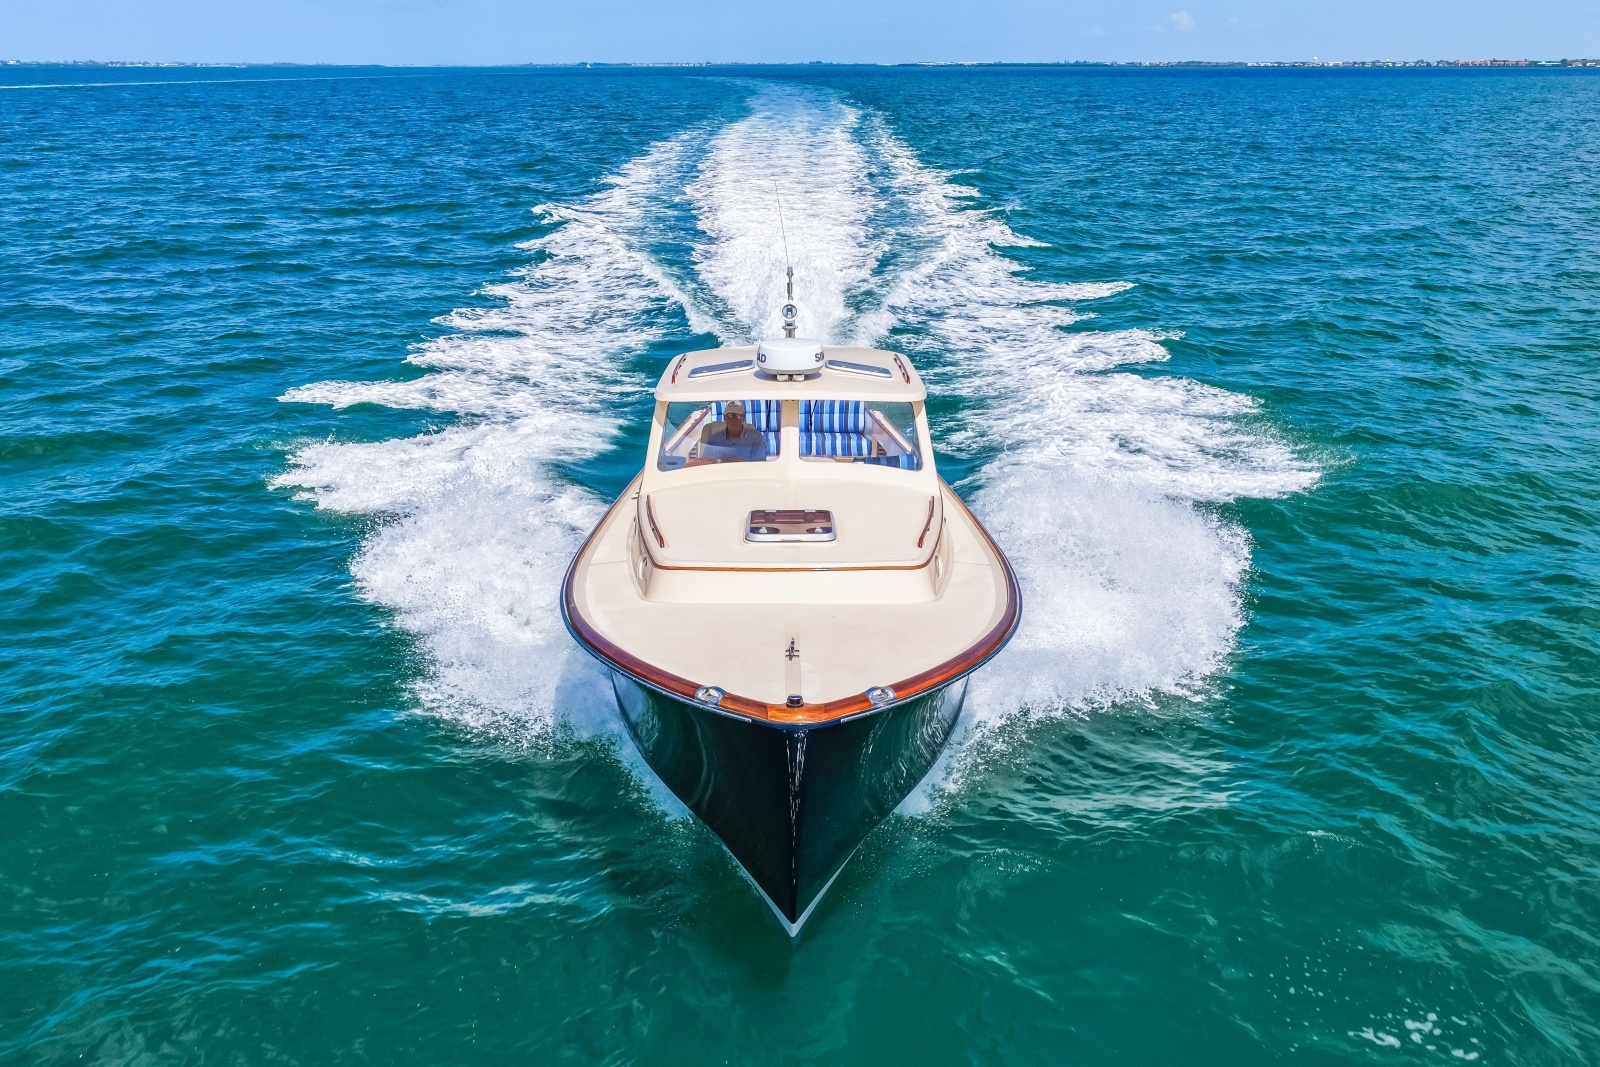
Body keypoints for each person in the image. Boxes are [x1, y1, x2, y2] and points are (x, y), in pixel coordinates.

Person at [695, 400, 768, 463]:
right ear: (724, 418)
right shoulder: (714, 439)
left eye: (738, 416)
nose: (734, 419)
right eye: (730, 416)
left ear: (743, 418)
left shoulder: (756, 437)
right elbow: (705, 462)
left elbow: (759, 464)